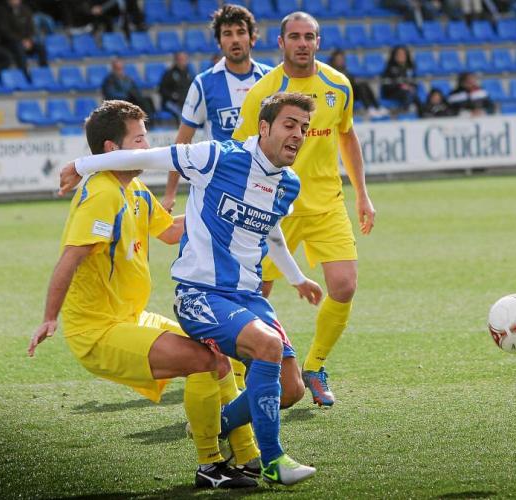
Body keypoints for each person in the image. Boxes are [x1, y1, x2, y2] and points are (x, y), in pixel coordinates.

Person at [60, 92, 323, 486]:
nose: (298, 134)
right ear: (264, 127)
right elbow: (153, 158)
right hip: (201, 295)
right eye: (289, 124)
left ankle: (220, 423)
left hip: (248, 296)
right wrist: (81, 165)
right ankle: (272, 460)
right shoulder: (217, 156)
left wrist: (297, 277)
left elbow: (270, 232)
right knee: (266, 347)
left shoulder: (289, 184)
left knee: (291, 389)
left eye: (303, 127)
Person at [28, 100, 258, 490]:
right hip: (98, 332)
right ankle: (210, 465)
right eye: (139, 140)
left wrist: (229, 211)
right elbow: (70, 258)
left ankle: (249, 457)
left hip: (131, 318)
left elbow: (169, 231)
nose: (147, 147)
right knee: (203, 361)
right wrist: (50, 318)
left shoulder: (132, 188)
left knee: (216, 352)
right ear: (111, 149)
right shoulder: (102, 194)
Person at [232, 12, 376, 407]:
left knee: (344, 286)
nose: (302, 43)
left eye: (309, 37)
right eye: (294, 36)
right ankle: (244, 375)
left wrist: (362, 194)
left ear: (318, 42)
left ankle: (314, 366)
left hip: (326, 203)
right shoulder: (263, 92)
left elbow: (347, 136)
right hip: (274, 206)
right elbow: (240, 149)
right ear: (280, 43)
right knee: (255, 292)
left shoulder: (338, 85)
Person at [161, 3, 270, 212]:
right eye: (227, 33)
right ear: (219, 42)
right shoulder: (203, 84)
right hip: (219, 187)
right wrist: (169, 194)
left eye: (241, 32)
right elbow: (182, 142)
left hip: (263, 188)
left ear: (253, 38)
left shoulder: (270, 79)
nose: (235, 39)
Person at [328, 48, 387, 119]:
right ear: (333, 61)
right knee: (360, 87)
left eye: (342, 59)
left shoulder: (345, 70)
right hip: (339, 95)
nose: (341, 61)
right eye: (338, 59)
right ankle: (369, 109)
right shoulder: (330, 72)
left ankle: (376, 107)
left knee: (363, 85)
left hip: (350, 93)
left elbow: (351, 82)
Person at [0, 0, 48, 78]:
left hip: (26, 41)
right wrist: (20, 40)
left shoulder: (26, 10)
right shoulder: (2, 11)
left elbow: (31, 27)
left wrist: (29, 40)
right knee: (18, 47)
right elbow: (4, 31)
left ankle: (45, 72)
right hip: (10, 43)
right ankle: (25, 74)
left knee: (41, 47)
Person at [381, 45, 421, 112]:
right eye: (399, 54)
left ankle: (422, 114)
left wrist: (412, 87)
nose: (401, 56)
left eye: (403, 54)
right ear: (394, 56)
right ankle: (405, 112)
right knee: (406, 94)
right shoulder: (389, 69)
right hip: (393, 92)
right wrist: (401, 86)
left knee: (415, 96)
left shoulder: (410, 68)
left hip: (408, 92)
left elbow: (414, 82)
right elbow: (386, 85)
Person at [158, 51, 193, 122]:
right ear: (176, 60)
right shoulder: (169, 73)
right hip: (171, 102)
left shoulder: (188, 73)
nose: (183, 61)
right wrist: (173, 96)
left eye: (185, 59)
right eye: (181, 59)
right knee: (182, 114)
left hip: (184, 101)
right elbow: (162, 89)